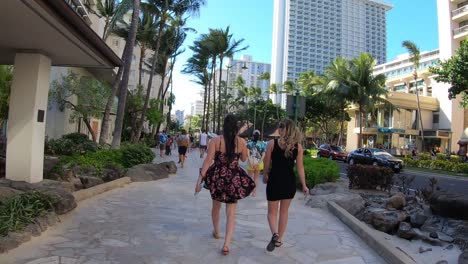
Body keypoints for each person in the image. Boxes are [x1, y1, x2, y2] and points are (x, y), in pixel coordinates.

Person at [195, 114, 255, 255]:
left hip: (218, 177)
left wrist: (199, 181)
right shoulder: (241, 142)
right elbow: (245, 159)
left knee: (216, 206)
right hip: (233, 178)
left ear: (224, 125)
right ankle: (227, 244)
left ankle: (216, 231)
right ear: (236, 127)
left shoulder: (216, 141)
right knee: (231, 212)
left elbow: (208, 161)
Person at [262, 119, 309, 252]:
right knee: (284, 211)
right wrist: (304, 185)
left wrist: (265, 175)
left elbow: (266, 164)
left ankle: (275, 234)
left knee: (271, 212)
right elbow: (300, 168)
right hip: (289, 182)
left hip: (274, 181)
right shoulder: (298, 147)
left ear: (281, 129)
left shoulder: (271, 144)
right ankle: (280, 239)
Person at [247, 130, 266, 197]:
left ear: (253, 136)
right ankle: (254, 193)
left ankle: (249, 191)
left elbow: (248, 154)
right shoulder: (262, 144)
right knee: (256, 178)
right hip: (259, 163)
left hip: (251, 162)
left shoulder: (249, 144)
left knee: (249, 178)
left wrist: (251, 162)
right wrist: (258, 163)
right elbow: (263, 155)